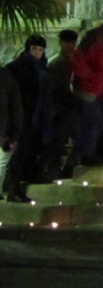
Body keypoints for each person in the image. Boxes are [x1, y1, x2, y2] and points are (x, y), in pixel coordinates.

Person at [62, 16, 103, 176]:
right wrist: (91, 77)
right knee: (92, 121)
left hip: (100, 89)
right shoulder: (94, 40)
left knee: (101, 118)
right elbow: (78, 60)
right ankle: (85, 155)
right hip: (88, 88)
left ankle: (80, 157)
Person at [3, 36, 53, 202]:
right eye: (34, 49)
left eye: (40, 49)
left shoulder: (43, 68)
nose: (37, 53)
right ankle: (13, 188)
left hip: (38, 117)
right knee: (16, 156)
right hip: (24, 116)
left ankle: (19, 188)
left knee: (27, 154)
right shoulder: (16, 68)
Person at [46, 29, 78, 180]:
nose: (70, 46)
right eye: (67, 43)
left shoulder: (75, 61)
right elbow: (54, 89)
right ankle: (53, 171)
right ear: (61, 43)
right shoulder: (55, 63)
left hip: (72, 107)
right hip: (61, 108)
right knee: (57, 143)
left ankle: (67, 169)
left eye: (72, 43)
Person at [0, 65, 23, 200]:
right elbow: (15, 107)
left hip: (5, 131)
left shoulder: (5, 76)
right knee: (2, 163)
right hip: (6, 131)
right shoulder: (6, 76)